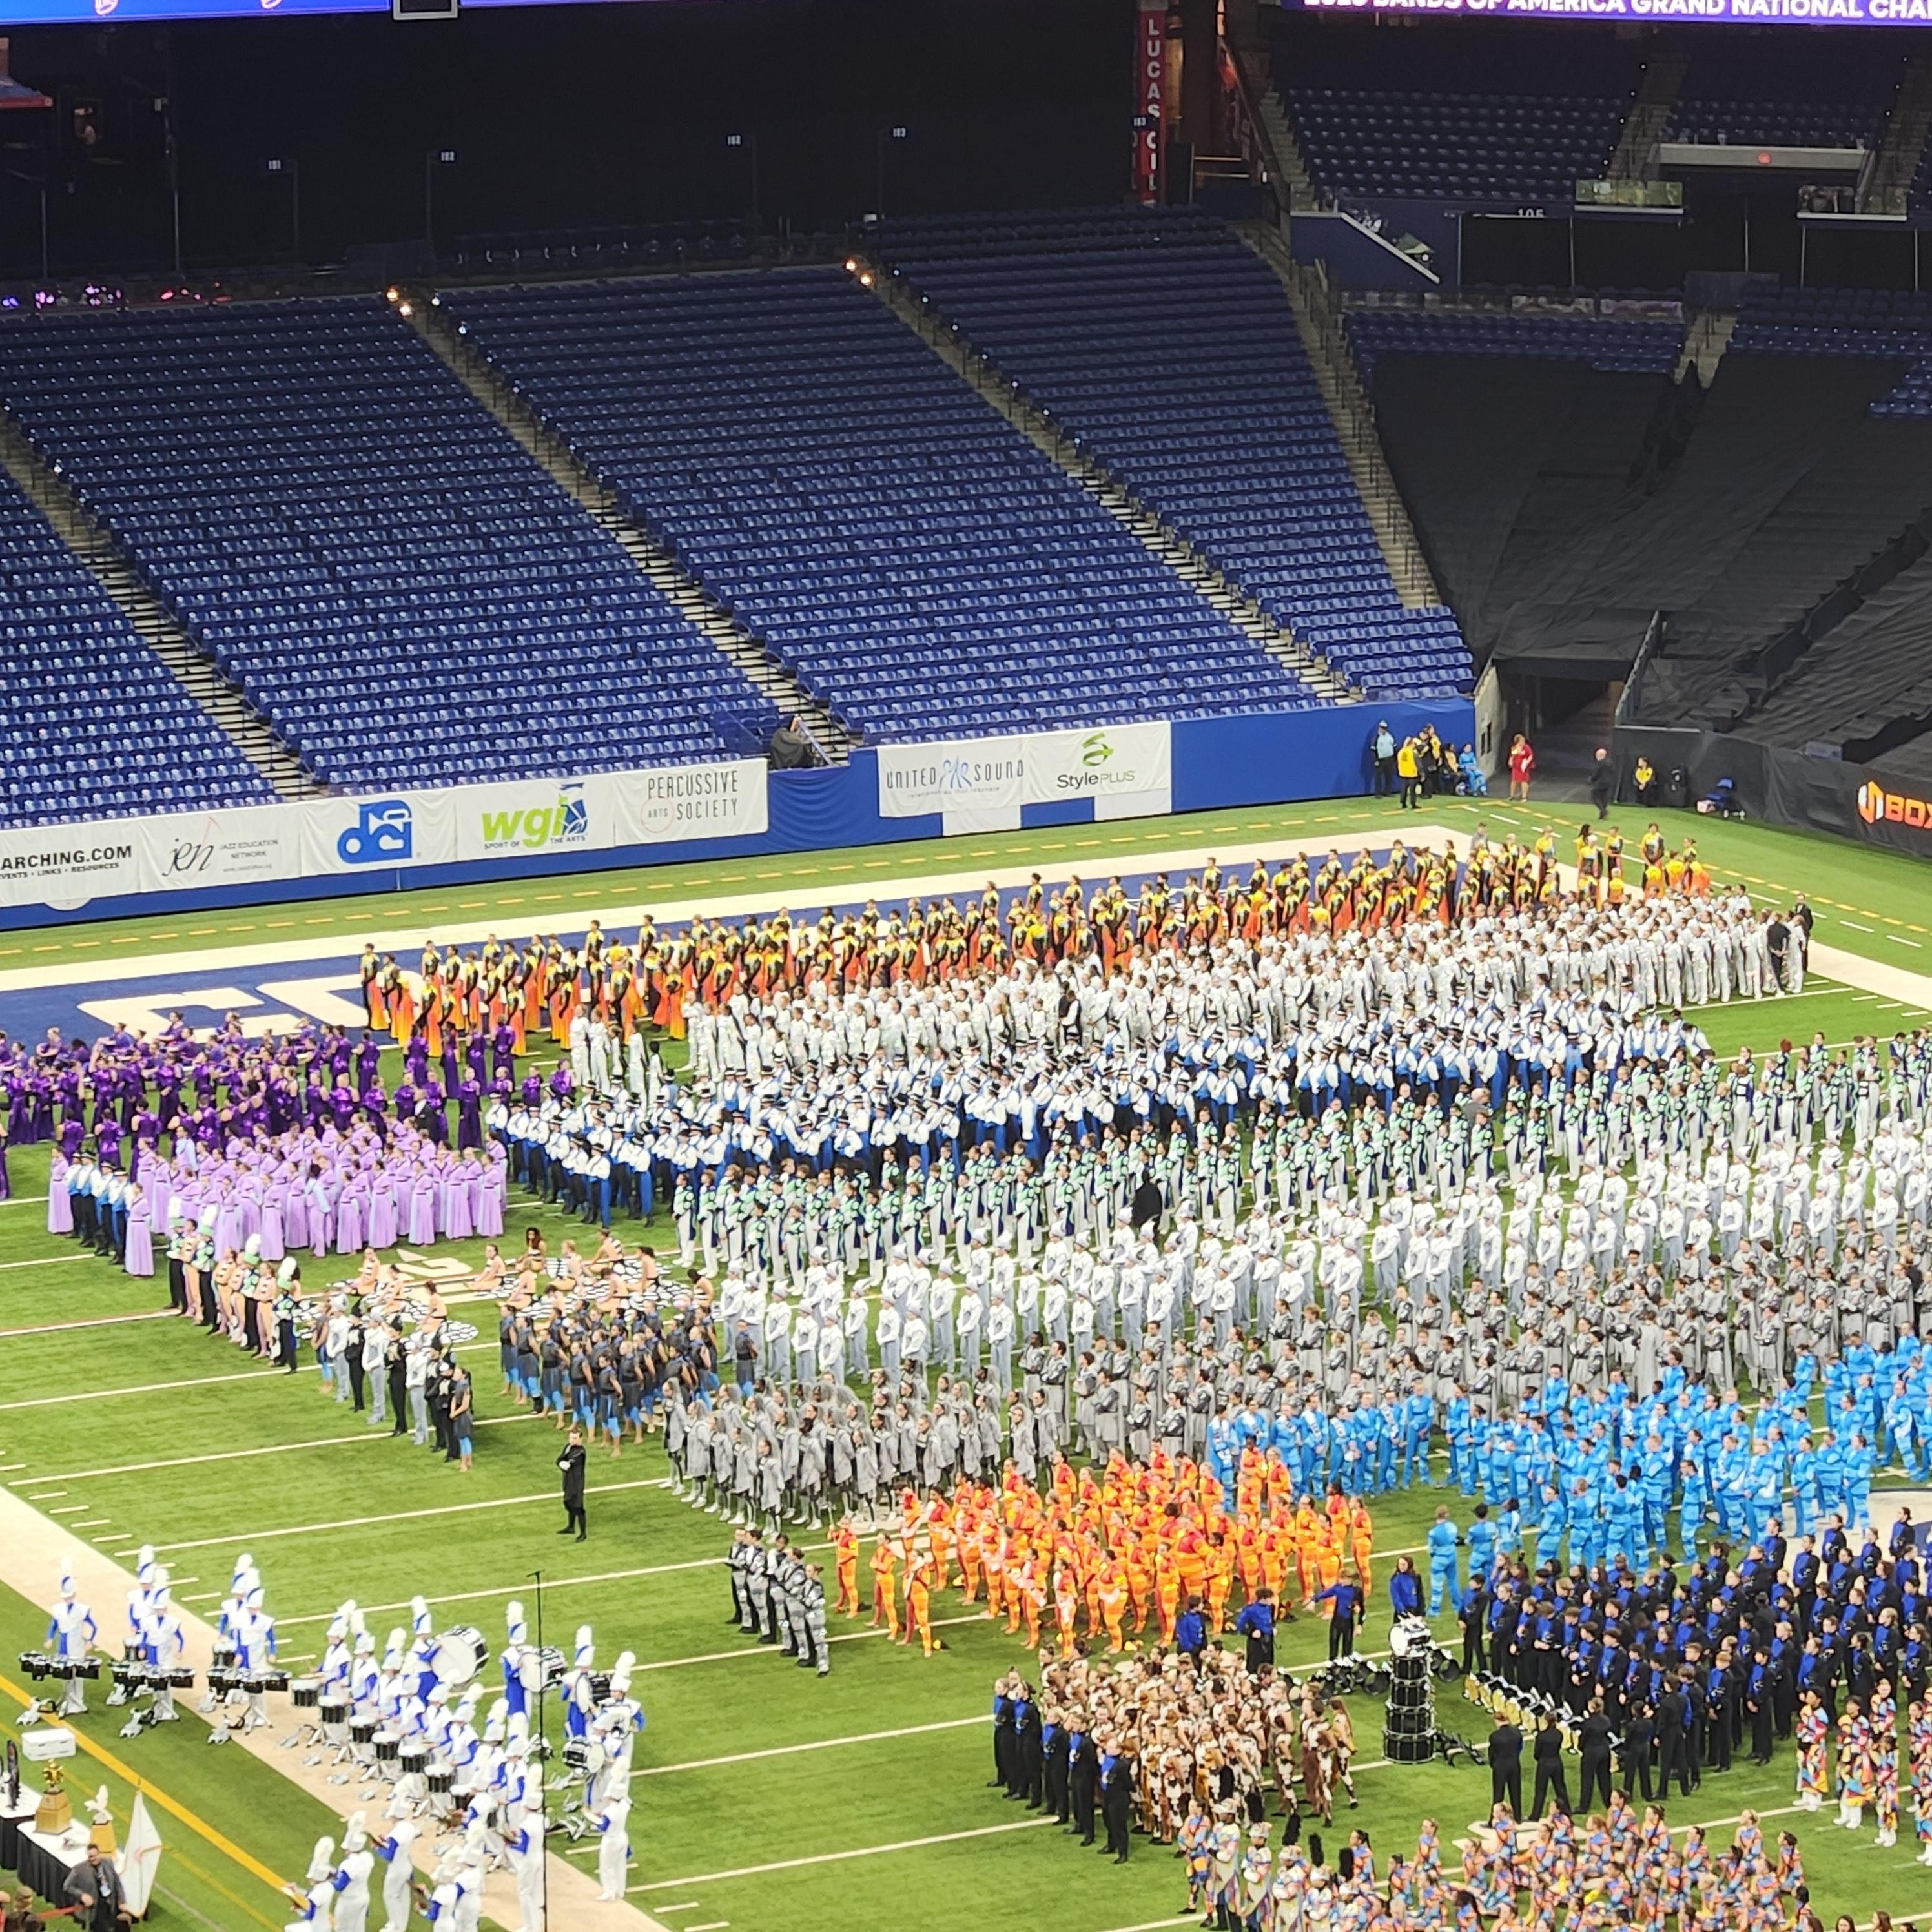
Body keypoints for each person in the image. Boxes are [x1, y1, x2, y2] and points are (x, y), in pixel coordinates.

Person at [62, 1845, 127, 1931]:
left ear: (99, 1854)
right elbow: (67, 1886)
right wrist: (82, 1895)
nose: (93, 1858)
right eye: (90, 1856)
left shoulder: (108, 1862)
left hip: (109, 1904)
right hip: (95, 1909)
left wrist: (121, 1901)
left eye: (95, 1856)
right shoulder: (79, 1869)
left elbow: (117, 1883)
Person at [1487, 1714, 1524, 1818]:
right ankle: (1518, 1817)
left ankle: (1494, 1818)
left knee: (1498, 1794)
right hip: (1514, 1764)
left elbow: (1492, 1753)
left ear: (1497, 1720)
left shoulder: (1495, 1736)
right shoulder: (1517, 1733)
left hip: (1500, 1766)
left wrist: (1494, 1764)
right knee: (1516, 1793)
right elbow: (1520, 1748)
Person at [557, 1426, 588, 1541]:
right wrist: (561, 1463)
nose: (572, 1440)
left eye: (575, 1438)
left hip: (577, 1483)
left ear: (580, 1439)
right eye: (571, 1438)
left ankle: (583, 1533)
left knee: (578, 1507)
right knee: (567, 1502)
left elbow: (569, 1463)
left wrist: (563, 1464)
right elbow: (559, 1460)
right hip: (568, 1481)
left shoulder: (580, 1452)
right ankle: (571, 1527)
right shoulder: (568, 1448)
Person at [1371, 721, 1397, 797]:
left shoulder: (1390, 736)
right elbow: (1373, 750)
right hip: (1381, 760)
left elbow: (1394, 747)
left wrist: (1394, 758)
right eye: (1381, 728)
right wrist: (1375, 760)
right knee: (1378, 777)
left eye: (1384, 728)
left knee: (1389, 776)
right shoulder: (1376, 738)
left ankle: (1388, 791)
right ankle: (1378, 793)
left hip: (1389, 759)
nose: (1382, 730)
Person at [1508, 733, 1535, 802]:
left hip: (1524, 767)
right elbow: (1513, 756)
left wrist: (1527, 762)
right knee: (1514, 781)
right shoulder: (1515, 748)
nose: (1523, 742)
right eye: (1522, 741)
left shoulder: (1527, 747)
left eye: (1524, 741)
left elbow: (1530, 756)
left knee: (1524, 781)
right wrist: (1510, 761)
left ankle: (1524, 797)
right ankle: (1512, 796)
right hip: (1516, 767)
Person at [1588, 747, 1614, 821]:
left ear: (1599, 755)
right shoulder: (1610, 763)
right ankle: (1602, 815)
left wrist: (1592, 779)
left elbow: (1596, 773)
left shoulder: (1600, 764)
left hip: (1600, 782)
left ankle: (1603, 811)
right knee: (1604, 798)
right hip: (1608, 783)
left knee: (1595, 796)